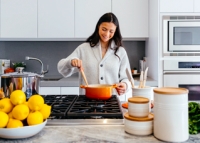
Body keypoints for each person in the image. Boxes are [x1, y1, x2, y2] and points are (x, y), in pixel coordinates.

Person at [57, 12, 131, 96]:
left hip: (112, 102)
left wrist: (125, 85)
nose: (107, 34)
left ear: (115, 31)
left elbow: (126, 78)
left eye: (111, 31)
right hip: (87, 102)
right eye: (104, 29)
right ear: (98, 26)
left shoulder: (120, 52)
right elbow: (61, 69)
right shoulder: (84, 48)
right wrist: (71, 62)